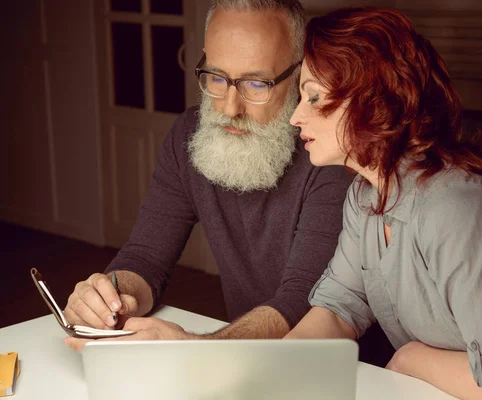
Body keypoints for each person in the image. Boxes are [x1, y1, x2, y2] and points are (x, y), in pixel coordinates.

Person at [285, 7, 482, 400]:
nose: (296, 116)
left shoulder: (456, 207)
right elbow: (337, 309)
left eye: (314, 96)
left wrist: (410, 358)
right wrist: (269, 369)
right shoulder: (365, 196)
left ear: (372, 98)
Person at [62, 0, 394, 366]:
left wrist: (194, 347)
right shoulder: (188, 134)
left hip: (350, 372)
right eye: (216, 78)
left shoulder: (329, 151)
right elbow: (145, 257)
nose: (230, 107)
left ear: (299, 75)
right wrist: (110, 297)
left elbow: (304, 300)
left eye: (256, 83)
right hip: (246, 363)